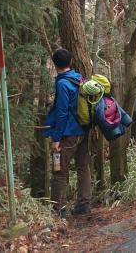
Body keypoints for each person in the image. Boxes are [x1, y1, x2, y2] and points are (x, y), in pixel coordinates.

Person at [44, 48, 91, 217]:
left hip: (68, 134)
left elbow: (62, 113)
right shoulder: (79, 79)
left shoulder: (62, 84)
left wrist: (56, 138)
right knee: (83, 167)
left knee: (59, 171)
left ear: (55, 64)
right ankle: (84, 204)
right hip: (83, 130)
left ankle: (59, 210)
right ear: (71, 61)